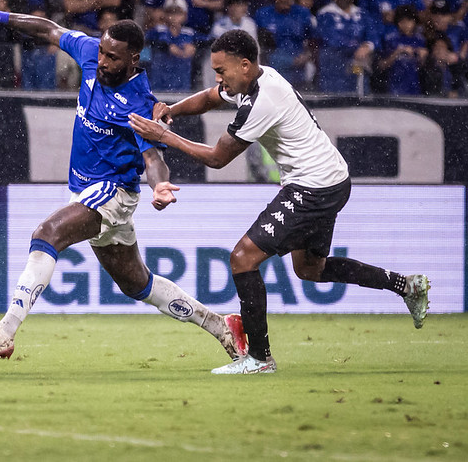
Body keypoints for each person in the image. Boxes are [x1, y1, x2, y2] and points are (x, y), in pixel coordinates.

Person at [0, 0, 248, 363]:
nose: (102, 61)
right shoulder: (89, 52)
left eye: (112, 58)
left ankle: (4, 332)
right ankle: (221, 325)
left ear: (134, 59)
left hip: (113, 192)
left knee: (46, 234)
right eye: (101, 52)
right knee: (136, 284)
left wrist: (160, 185)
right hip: (85, 192)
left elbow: (152, 156)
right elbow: (44, 27)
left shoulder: (138, 102)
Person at [127, 29, 431, 375]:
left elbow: (216, 158)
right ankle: (406, 285)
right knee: (310, 269)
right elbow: (211, 97)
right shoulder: (254, 79)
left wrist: (163, 135)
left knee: (243, 258)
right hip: (331, 180)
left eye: (222, 70)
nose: (217, 78)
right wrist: (173, 111)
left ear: (244, 65)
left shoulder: (261, 101)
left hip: (314, 186)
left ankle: (258, 357)